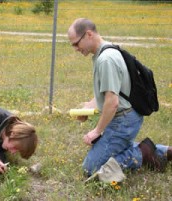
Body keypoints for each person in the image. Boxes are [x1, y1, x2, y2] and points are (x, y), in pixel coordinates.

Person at [67, 18, 171, 177]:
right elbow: (110, 92)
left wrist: (97, 131)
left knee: (91, 168)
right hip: (124, 118)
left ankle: (143, 153)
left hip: (123, 121)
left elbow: (113, 102)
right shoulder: (104, 52)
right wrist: (89, 106)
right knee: (111, 152)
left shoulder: (106, 59)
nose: (75, 48)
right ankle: (163, 151)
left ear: (88, 34)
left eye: (76, 43)